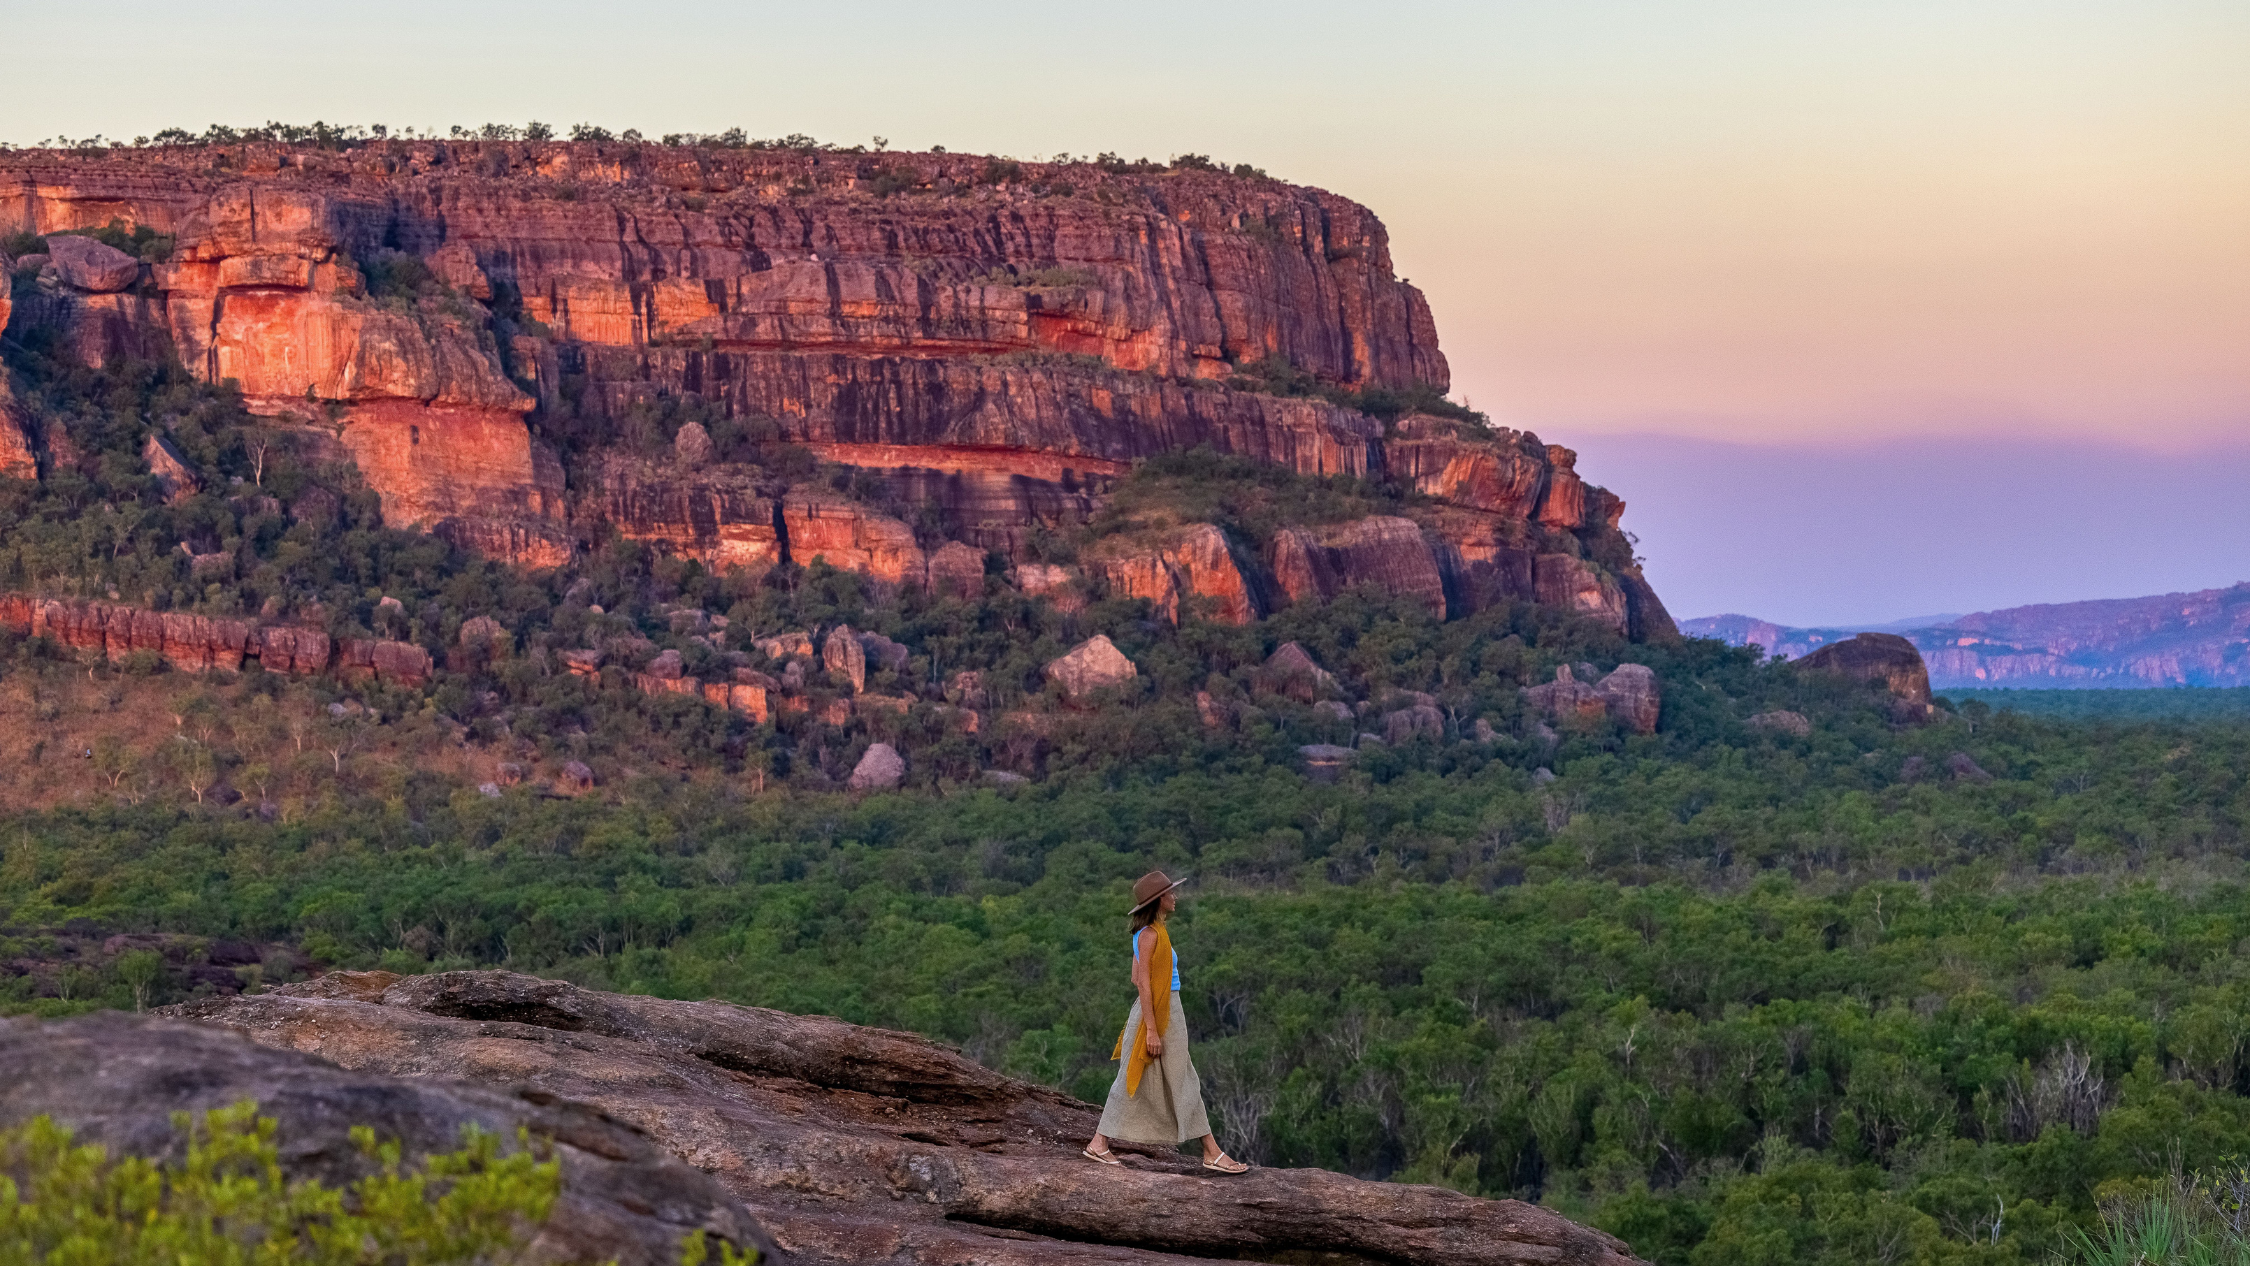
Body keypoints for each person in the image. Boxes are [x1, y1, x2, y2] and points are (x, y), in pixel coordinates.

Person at [1083, 870, 1250, 1173]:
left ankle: (1100, 1143)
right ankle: (1211, 1152)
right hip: (1161, 1013)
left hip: (1160, 1010)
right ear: (1158, 900)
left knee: (1164, 1077)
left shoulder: (1151, 932)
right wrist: (1152, 1029)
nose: (1175, 897)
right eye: (1170, 893)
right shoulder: (1149, 935)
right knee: (1163, 1078)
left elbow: (1135, 977)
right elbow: (1143, 983)